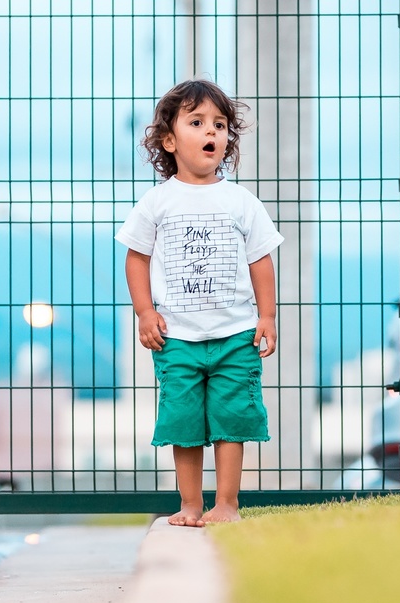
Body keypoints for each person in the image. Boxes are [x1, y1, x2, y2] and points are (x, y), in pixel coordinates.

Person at [116, 79, 283, 526]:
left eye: (220, 124)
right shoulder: (157, 202)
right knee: (183, 422)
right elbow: (136, 259)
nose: (212, 132)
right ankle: (190, 504)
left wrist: (266, 316)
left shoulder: (240, 201)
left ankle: (226, 504)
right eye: (197, 122)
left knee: (233, 418)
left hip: (235, 336)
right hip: (177, 340)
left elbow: (261, 260)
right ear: (169, 140)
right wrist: (145, 312)